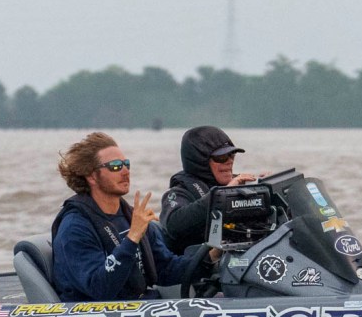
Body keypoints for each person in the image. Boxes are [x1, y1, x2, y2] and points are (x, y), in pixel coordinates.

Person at [51, 131, 217, 302]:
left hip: (143, 305)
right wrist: (132, 239)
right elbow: (99, 288)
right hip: (98, 314)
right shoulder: (75, 227)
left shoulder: (130, 217)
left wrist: (212, 256)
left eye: (126, 164)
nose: (125, 171)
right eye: (115, 166)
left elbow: (166, 269)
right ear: (92, 176)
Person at [159, 125, 269, 254]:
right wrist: (221, 196)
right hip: (197, 263)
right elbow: (174, 225)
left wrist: (264, 189)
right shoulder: (179, 192)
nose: (229, 161)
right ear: (200, 161)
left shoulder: (239, 183)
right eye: (221, 157)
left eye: (232, 155)